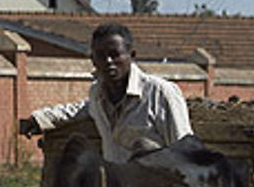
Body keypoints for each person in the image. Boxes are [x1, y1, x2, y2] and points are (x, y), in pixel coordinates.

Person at [19, 22, 192, 163]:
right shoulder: (97, 94)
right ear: (93, 60)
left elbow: (185, 149)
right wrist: (41, 119)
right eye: (101, 56)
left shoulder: (160, 94)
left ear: (131, 55)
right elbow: (81, 110)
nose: (109, 61)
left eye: (115, 55)